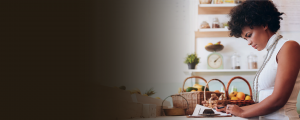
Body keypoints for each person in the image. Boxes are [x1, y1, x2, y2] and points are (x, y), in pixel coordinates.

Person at [215, 1, 300, 120]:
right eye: (246, 39)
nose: (249, 42)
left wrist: (242, 113)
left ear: (264, 24)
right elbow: (264, 101)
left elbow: (279, 100)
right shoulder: (271, 52)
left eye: (249, 35)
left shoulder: (289, 47)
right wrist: (232, 110)